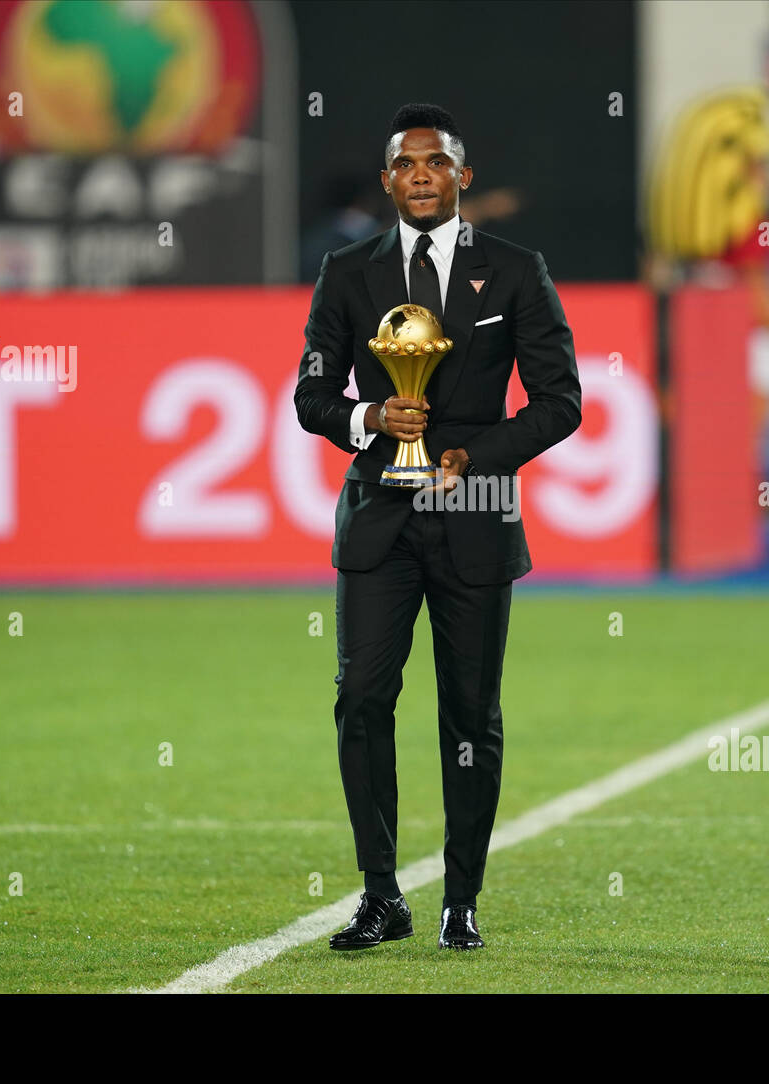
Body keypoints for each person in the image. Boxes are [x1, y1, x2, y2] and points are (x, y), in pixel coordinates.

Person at [294, 103, 581, 950]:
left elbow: (560, 401)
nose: (421, 175)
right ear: (387, 181)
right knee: (360, 698)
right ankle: (382, 896)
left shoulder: (516, 270)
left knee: (470, 713)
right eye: (406, 164)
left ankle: (462, 898)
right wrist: (370, 416)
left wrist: (475, 458)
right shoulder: (347, 271)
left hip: (475, 510)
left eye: (437, 162)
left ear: (464, 176)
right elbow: (312, 396)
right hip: (379, 512)